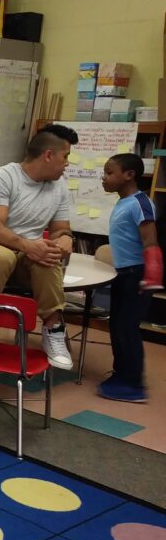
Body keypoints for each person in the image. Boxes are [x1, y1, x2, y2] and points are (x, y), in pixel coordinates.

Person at [0, 124, 79, 370]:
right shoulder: (2, 178)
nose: (67, 164)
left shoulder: (58, 186)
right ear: (48, 155)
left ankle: (54, 328)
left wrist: (65, 238)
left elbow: (62, 227)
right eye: (65, 156)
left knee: (47, 257)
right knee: (1, 255)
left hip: (23, 257)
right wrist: (29, 245)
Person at [97, 153, 163, 402]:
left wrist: (152, 274)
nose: (104, 178)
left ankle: (134, 385)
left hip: (138, 274)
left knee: (127, 328)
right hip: (122, 274)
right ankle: (122, 373)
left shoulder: (140, 203)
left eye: (109, 172)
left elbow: (151, 240)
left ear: (129, 175)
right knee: (116, 326)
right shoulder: (122, 202)